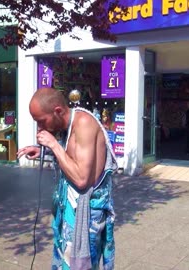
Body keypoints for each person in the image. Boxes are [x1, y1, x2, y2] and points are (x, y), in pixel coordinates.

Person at [17, 88, 117, 270]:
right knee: (67, 262)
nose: (39, 127)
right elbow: (72, 157)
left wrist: (53, 145)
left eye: (41, 121)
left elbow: (81, 179)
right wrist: (44, 151)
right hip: (70, 209)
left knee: (79, 265)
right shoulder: (67, 126)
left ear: (58, 111)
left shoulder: (83, 124)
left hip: (86, 216)